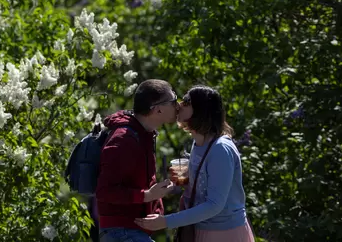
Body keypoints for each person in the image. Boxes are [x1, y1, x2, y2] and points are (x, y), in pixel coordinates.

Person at [134, 85, 255, 242]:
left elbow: (214, 205)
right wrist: (190, 179)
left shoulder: (220, 149)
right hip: (201, 230)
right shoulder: (198, 143)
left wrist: (166, 221)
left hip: (225, 233)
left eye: (186, 101)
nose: (179, 104)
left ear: (200, 109)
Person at [96, 79, 179, 242]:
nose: (178, 105)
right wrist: (146, 196)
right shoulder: (124, 139)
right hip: (120, 233)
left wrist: (156, 201)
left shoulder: (145, 134)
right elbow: (104, 192)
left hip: (132, 231)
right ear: (158, 109)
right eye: (173, 100)